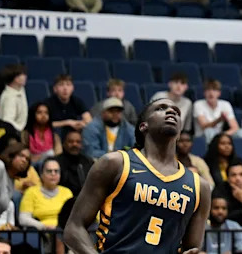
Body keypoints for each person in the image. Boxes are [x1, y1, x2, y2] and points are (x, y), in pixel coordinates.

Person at [64, 98, 212, 254]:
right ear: (143, 126)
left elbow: (192, 249)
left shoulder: (199, 187)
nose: (171, 112)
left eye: (176, 112)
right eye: (161, 108)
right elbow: (74, 229)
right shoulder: (115, 164)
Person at [18, 156, 73, 230]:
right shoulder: (31, 192)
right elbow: (23, 219)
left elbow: (73, 218)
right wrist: (43, 227)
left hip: (63, 232)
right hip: (40, 234)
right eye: (49, 171)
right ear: (41, 174)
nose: (53, 174)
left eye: (56, 171)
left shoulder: (67, 192)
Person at [55, 129, 93, 196]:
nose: (74, 144)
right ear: (63, 144)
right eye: (70, 141)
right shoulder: (56, 162)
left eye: (78, 142)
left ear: (82, 144)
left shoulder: (88, 162)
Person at [0, 64, 28, 133]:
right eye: (22, 75)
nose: (25, 77)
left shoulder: (20, 89)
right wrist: (21, 130)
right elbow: (8, 121)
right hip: (12, 132)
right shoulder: (9, 97)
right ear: (15, 78)